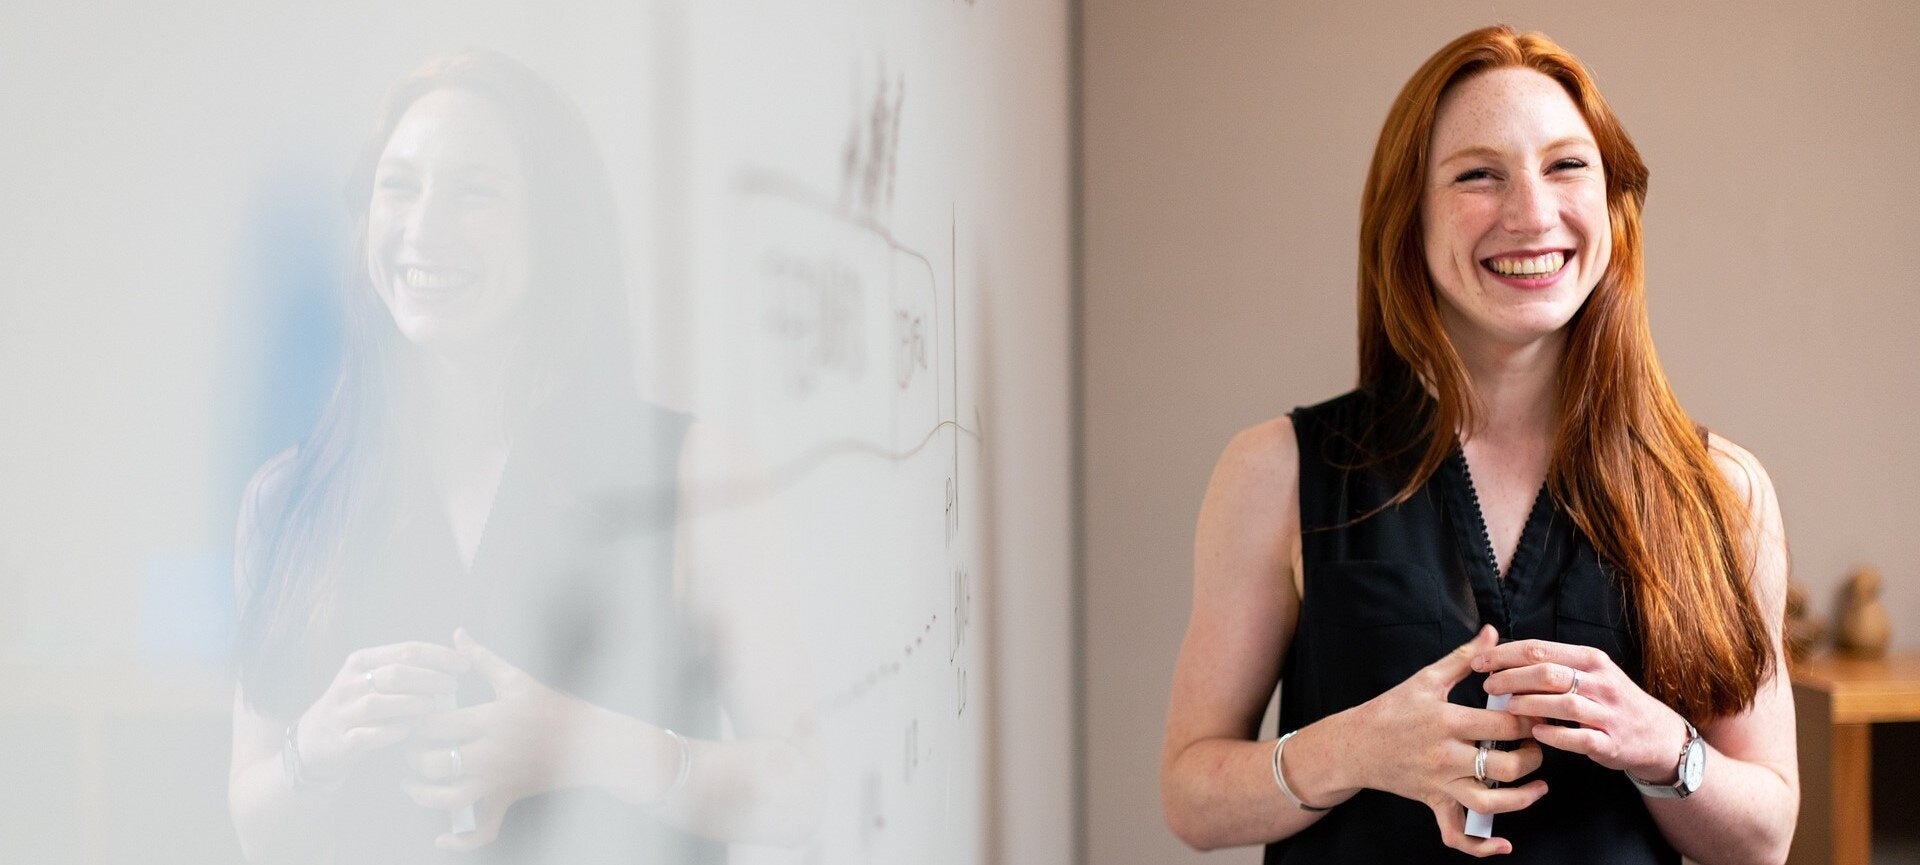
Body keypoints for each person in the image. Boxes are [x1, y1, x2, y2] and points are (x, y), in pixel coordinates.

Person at [1160, 25, 1796, 864]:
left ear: (1612, 202)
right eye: (1478, 175)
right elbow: (1191, 798)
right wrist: (1351, 749)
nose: (1532, 214)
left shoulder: (1722, 489)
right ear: (1409, 218)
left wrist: (1664, 747)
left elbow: (1766, 837)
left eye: (1567, 166)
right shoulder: (1275, 472)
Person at [227, 49, 818, 863]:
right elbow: (255, 828)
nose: (424, 229)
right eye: (399, 186)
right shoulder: (289, 498)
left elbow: (801, 794)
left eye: (475, 192)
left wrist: (584, 743)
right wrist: (315, 743)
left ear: (556, 229)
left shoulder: (697, 475)